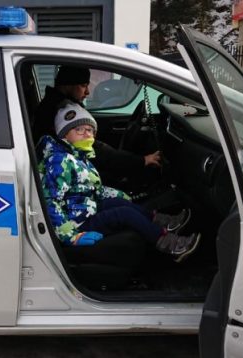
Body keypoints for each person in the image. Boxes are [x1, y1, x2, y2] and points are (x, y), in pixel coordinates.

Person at [37, 102, 201, 263]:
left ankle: (163, 222)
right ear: (64, 134)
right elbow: (49, 202)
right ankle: (169, 244)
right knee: (124, 214)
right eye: (79, 130)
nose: (87, 134)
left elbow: (90, 189)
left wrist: (119, 195)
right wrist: (71, 236)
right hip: (76, 222)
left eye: (90, 130)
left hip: (84, 208)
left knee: (121, 203)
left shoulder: (78, 156)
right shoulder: (59, 162)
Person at [31, 66, 162, 179]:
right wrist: (142, 161)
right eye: (83, 86)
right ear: (67, 85)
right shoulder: (64, 111)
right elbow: (97, 150)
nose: (87, 92)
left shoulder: (56, 106)